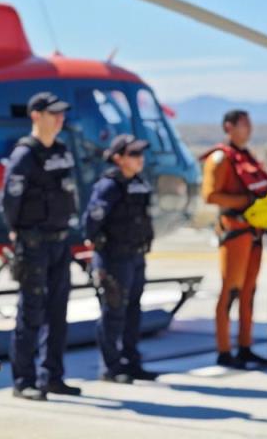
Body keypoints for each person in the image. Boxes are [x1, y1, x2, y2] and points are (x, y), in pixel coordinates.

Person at [1, 91, 80, 400]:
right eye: (53, 114)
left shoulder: (62, 150)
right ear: (36, 115)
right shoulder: (24, 155)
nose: (60, 119)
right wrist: (17, 233)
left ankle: (52, 376)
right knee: (31, 313)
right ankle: (24, 381)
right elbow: (10, 201)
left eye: (62, 114)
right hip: (34, 244)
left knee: (58, 313)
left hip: (60, 242)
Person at [201, 110, 267, 369]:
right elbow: (210, 196)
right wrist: (245, 202)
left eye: (249, 123)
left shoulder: (248, 157)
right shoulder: (220, 158)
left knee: (249, 291)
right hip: (234, 231)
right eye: (243, 124)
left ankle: (245, 346)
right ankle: (224, 350)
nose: (249, 129)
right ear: (228, 127)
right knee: (230, 290)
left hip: (254, 232)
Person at [83, 134, 158, 383]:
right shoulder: (109, 185)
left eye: (140, 154)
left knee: (133, 311)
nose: (140, 159)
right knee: (114, 311)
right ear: (118, 158)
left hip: (136, 256)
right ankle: (111, 367)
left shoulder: (138, 183)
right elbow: (92, 220)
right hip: (114, 257)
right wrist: (97, 250)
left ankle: (131, 361)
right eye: (133, 154)